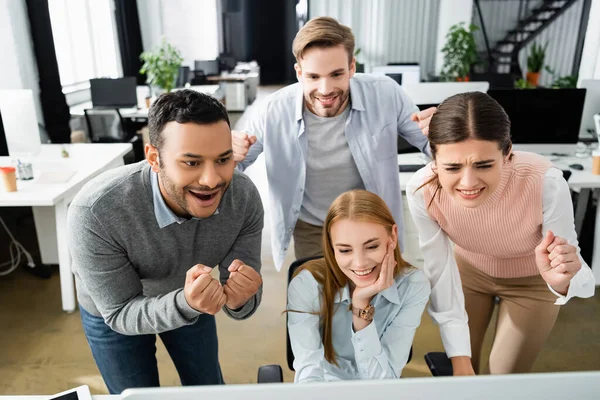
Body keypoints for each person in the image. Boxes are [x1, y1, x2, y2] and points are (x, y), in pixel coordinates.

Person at [67, 90, 264, 393]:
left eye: (223, 159)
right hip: (120, 308)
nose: (211, 180)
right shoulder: (95, 212)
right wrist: (186, 303)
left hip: (187, 295)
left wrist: (240, 299)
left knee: (208, 389)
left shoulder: (244, 197)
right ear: (154, 159)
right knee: (136, 396)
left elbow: (242, 298)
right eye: (191, 162)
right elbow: (120, 312)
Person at [406, 92, 595, 375]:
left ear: (507, 152)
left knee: (502, 380)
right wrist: (459, 359)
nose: (468, 183)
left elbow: (583, 278)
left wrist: (562, 281)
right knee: (462, 371)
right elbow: (440, 275)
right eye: (452, 167)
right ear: (433, 157)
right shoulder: (423, 190)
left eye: (484, 165)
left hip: (532, 283)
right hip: (467, 274)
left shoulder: (545, 182)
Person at [232, 16, 435, 270]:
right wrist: (226, 156)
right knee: (322, 303)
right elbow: (231, 170)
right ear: (299, 73)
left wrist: (442, 134)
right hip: (313, 229)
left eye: (336, 74)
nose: (325, 89)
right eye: (314, 76)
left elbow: (430, 145)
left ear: (352, 67)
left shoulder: (385, 93)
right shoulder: (273, 110)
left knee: (379, 300)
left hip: (373, 224)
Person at [287, 190, 431, 382]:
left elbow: (383, 384)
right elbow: (309, 374)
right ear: (331, 247)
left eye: (372, 247)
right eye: (345, 250)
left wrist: (361, 309)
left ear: (393, 237)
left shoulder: (413, 285)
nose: (360, 263)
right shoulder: (307, 285)